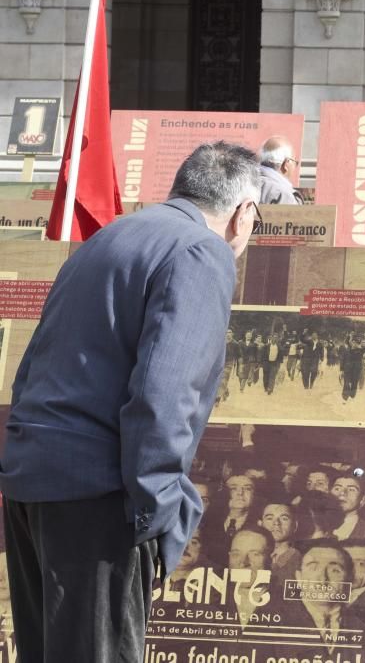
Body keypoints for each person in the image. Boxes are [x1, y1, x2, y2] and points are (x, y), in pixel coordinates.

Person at [0, 141, 261, 662]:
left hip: (35, 483)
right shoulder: (199, 251)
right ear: (244, 213)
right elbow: (165, 393)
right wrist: (159, 507)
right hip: (101, 495)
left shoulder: (108, 239)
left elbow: (30, 370)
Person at [258, 135, 304, 205]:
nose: (295, 167)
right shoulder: (283, 195)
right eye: (295, 163)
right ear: (286, 164)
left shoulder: (244, 183)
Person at [331, 471, 365, 541]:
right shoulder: (318, 525)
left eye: (351, 490)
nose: (342, 493)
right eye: (337, 488)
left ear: (363, 499)